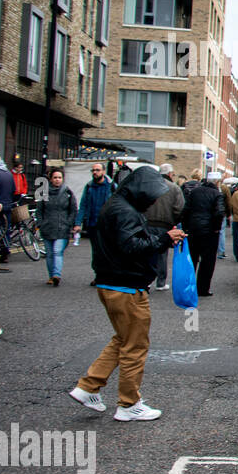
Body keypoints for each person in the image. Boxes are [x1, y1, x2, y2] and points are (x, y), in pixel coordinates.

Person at [66, 167, 186, 421]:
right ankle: (129, 404)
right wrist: (164, 238)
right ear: (140, 191)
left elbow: (129, 240)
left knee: (123, 338)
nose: (154, 201)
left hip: (112, 283)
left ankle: (88, 386)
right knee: (135, 345)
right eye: (152, 196)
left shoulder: (117, 205)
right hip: (126, 286)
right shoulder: (125, 211)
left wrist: (160, 237)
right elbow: (133, 246)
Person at [182, 170, 226, 296]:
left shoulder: (194, 192)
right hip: (209, 231)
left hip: (193, 229)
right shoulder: (217, 194)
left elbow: (186, 210)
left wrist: (186, 227)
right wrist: (216, 228)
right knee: (207, 261)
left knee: (192, 259)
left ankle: (188, 286)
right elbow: (219, 212)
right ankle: (203, 288)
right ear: (217, 182)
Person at [144, 164, 185, 290]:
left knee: (147, 250)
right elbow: (179, 208)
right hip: (165, 224)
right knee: (162, 253)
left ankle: (146, 280)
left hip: (147, 223)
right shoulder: (174, 188)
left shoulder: (149, 186)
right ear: (170, 174)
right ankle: (161, 282)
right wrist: (175, 222)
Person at [36, 168, 77, 286]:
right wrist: (40, 223)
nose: (57, 180)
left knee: (57, 251)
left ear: (63, 179)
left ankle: (56, 275)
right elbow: (39, 210)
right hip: (47, 227)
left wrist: (69, 223)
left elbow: (73, 210)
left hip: (62, 227)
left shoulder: (68, 192)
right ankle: (51, 276)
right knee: (49, 253)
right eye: (55, 177)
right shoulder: (44, 192)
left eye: (59, 177)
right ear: (51, 179)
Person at [0, 155, 15, 263]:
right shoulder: (8, 173)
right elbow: (13, 190)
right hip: (7, 206)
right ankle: (5, 252)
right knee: (5, 230)